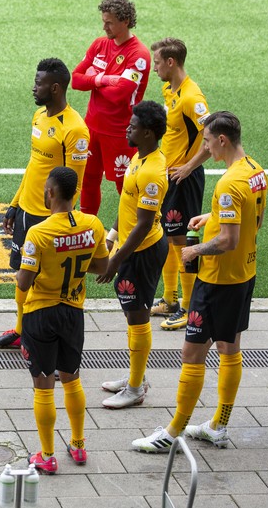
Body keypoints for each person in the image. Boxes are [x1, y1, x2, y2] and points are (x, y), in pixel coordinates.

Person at [132, 112, 267, 452]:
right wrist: (214, 216)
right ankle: (219, 425)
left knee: (192, 353)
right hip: (243, 276)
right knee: (229, 348)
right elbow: (257, 220)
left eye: (207, 141)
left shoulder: (229, 184)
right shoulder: (255, 172)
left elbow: (227, 242)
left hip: (217, 279)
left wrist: (194, 250)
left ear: (222, 140)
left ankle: (172, 433)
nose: (205, 148)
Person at [0, 58, 90, 349]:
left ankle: (40, 338)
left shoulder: (75, 130)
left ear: (55, 88)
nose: (34, 87)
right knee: (21, 273)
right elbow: (34, 166)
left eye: (39, 83)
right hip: (26, 212)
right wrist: (15, 204)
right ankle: (21, 331)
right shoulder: (38, 116)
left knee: (45, 282)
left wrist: (61, 221)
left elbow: (75, 183)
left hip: (49, 219)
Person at [19, 167, 109, 474]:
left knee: (43, 385)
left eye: (46, 189)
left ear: (52, 193)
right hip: (73, 311)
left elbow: (23, 282)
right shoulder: (93, 225)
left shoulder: (39, 232)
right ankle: (79, 445)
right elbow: (101, 266)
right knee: (72, 378)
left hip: (41, 313)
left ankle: (47, 454)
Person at [96, 100, 168, 409]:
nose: (128, 128)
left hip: (143, 252)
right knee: (131, 314)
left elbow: (142, 225)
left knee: (138, 318)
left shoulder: (153, 172)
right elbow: (126, 207)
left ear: (149, 133)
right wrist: (111, 239)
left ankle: (136, 388)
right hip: (130, 250)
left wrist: (116, 260)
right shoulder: (139, 158)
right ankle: (135, 377)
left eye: (134, 126)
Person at [147, 38, 211, 331]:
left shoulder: (192, 98)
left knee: (182, 241)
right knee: (169, 238)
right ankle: (170, 299)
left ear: (171, 62)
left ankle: (188, 306)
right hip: (170, 175)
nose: (155, 67)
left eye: (158, 62)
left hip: (184, 178)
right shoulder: (169, 90)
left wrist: (188, 166)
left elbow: (212, 138)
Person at [72, 0, 150, 215]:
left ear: (125, 21)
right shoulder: (99, 45)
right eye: (103, 20)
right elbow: (76, 79)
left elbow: (119, 95)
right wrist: (102, 79)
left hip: (120, 133)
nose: (104, 26)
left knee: (125, 187)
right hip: (91, 129)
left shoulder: (139, 54)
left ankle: (133, 235)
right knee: (88, 180)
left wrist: (93, 79)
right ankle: (88, 228)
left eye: (109, 22)